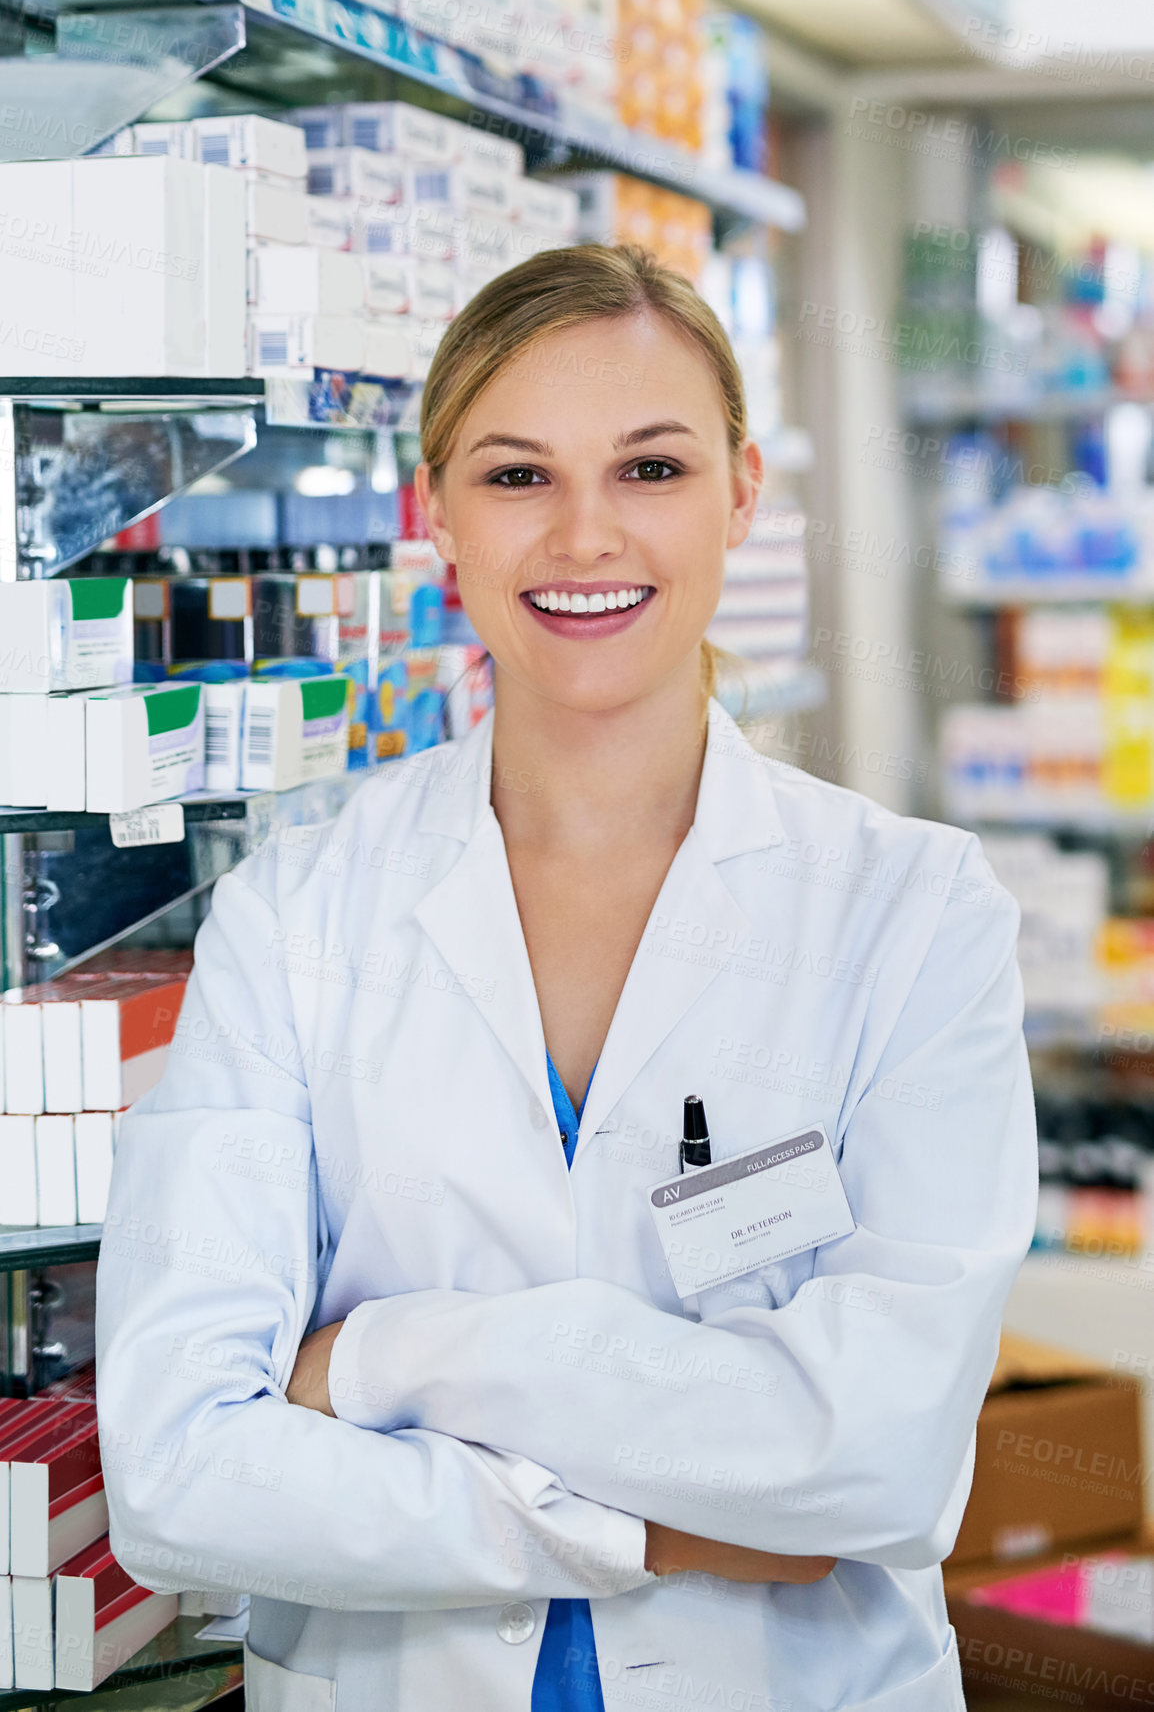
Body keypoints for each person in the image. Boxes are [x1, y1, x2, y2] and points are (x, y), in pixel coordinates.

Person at [96, 244, 1038, 1712]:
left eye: (648, 469)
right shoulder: (297, 910)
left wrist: (379, 1357)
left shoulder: (910, 915)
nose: (585, 535)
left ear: (739, 492)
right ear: (436, 519)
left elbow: (879, 1459)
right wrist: (647, 1521)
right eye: (518, 475)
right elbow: (176, 1475)